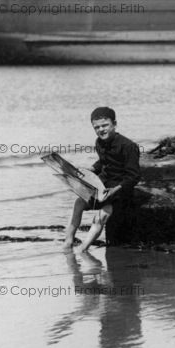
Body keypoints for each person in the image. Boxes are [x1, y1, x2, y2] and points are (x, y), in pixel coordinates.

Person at [62, 107, 141, 252]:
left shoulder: (129, 146)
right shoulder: (99, 142)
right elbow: (103, 163)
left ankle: (83, 248)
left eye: (105, 125)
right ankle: (68, 241)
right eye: (96, 127)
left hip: (121, 191)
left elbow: (134, 176)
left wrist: (114, 191)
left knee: (101, 216)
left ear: (114, 124)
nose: (101, 130)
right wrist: (90, 170)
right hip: (103, 188)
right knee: (79, 203)